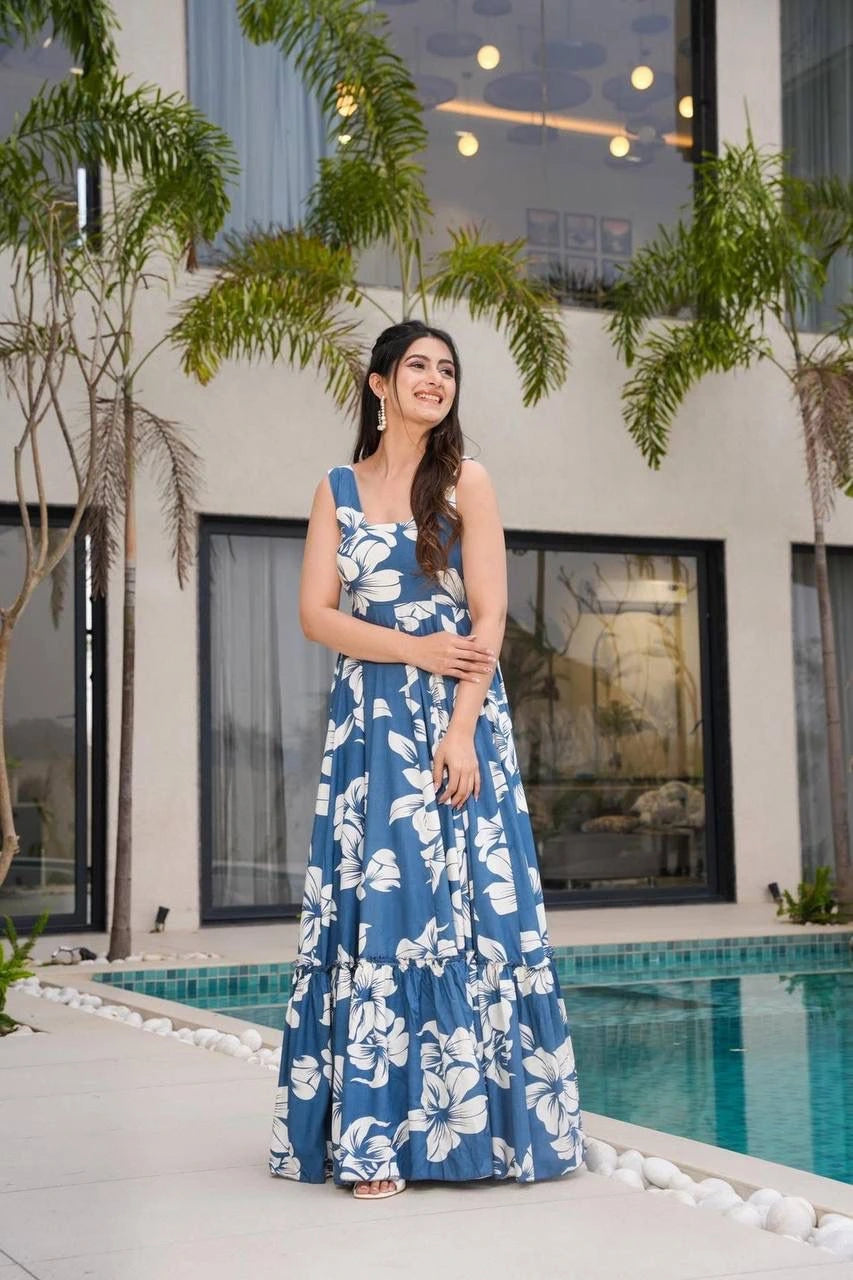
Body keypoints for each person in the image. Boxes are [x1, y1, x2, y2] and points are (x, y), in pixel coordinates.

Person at [269, 320, 584, 1198]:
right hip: (369, 728)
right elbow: (314, 615)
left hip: (456, 718)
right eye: (417, 366)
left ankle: (480, 1138)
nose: (435, 380)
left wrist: (459, 727)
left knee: (465, 911)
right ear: (378, 384)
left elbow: (486, 616)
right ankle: (374, 1144)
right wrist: (410, 652)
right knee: (386, 911)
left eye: (447, 369)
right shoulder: (336, 488)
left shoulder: (465, 482)